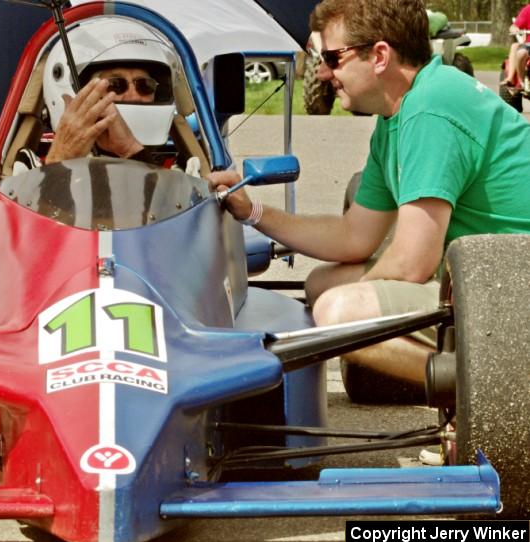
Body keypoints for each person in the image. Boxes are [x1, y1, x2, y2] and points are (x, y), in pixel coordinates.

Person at [214, 0, 530, 392]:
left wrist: (351, 297)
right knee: (321, 286)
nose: (324, 72)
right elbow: (354, 236)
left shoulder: (430, 110)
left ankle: (500, 396)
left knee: (339, 309)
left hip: (515, 286)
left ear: (380, 55)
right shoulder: (399, 114)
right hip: (494, 275)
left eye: (332, 57)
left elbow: (414, 262)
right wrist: (253, 211)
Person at [20, 18, 197, 173]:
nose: (133, 96)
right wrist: (60, 160)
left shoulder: (182, 173)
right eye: (115, 85)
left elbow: (160, 210)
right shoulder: (29, 170)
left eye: (145, 86)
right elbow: (32, 211)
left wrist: (131, 151)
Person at [503, 3, 530, 91]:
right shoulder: (528, 10)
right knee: (520, 53)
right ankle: (522, 82)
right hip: (528, 45)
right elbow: (514, 26)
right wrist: (516, 29)